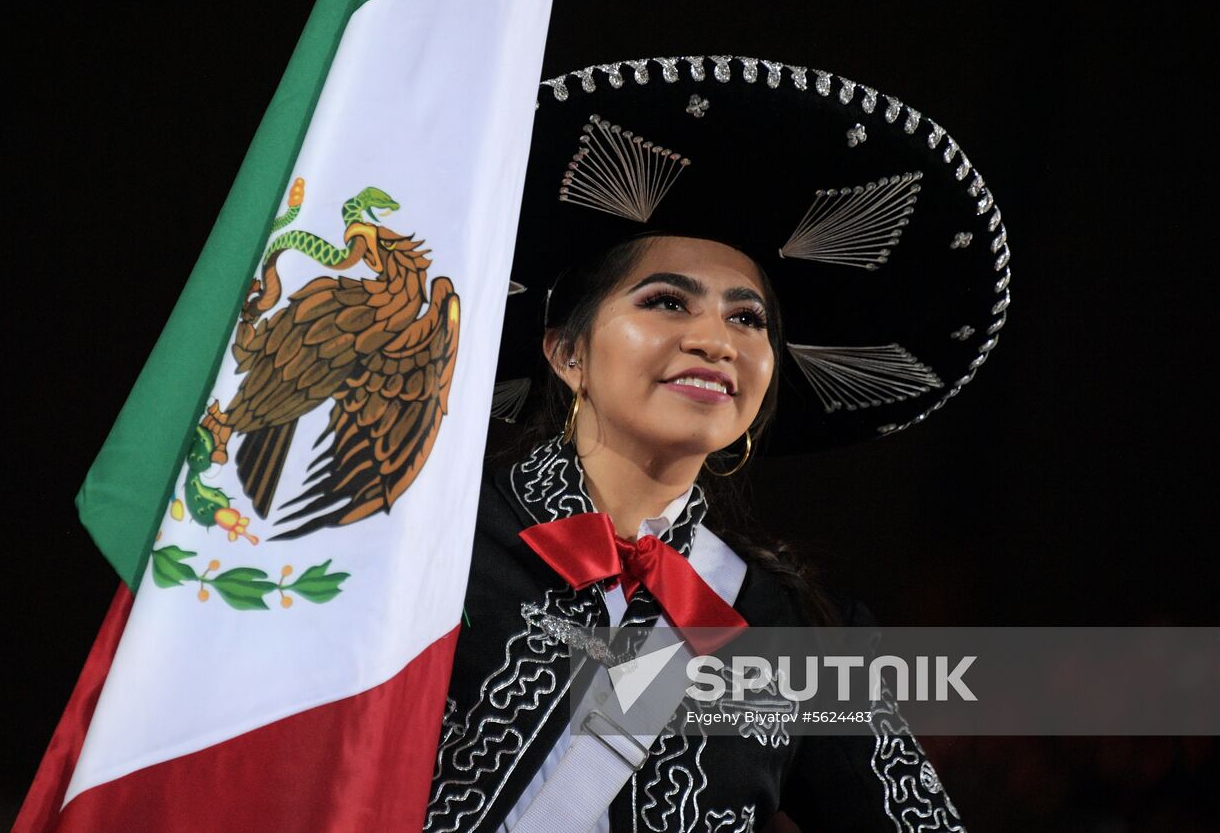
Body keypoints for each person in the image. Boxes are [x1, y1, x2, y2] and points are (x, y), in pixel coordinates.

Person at [424, 53, 1007, 832]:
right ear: (567, 353)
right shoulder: (430, 536)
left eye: (746, 318)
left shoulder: (784, 622)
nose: (715, 340)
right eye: (667, 301)